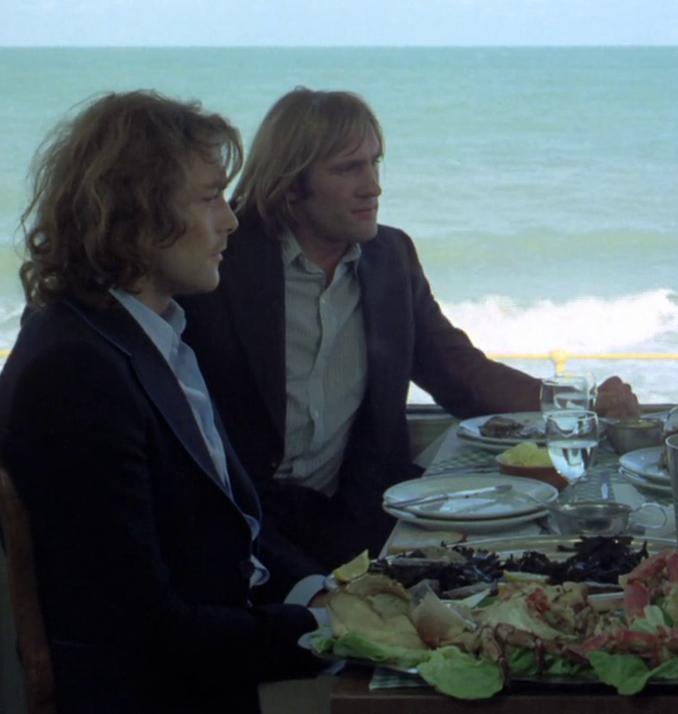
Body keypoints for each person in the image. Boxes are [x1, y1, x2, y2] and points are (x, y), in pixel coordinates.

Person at [178, 88, 641, 570]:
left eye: (374, 163)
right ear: (291, 184)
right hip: (240, 528)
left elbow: (458, 371)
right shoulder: (218, 263)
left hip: (356, 518)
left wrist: (576, 405)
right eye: (347, 168)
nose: (372, 186)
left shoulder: (389, 258)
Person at [0, 91, 333, 714]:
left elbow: (230, 530)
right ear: (135, 214)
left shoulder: (142, 336)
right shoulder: (74, 372)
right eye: (209, 198)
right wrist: (333, 635)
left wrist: (322, 593)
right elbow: (143, 630)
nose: (229, 221)